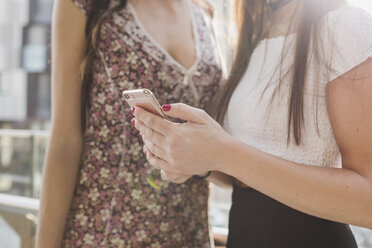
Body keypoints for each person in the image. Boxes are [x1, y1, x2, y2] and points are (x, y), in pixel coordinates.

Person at [132, 0, 372, 247]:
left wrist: (223, 152)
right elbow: (245, 175)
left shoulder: (345, 26)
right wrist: (198, 161)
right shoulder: (256, 35)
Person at [36, 0, 222, 247]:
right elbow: (64, 142)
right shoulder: (82, 5)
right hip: (102, 232)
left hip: (188, 234)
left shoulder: (204, 12)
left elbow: (219, 144)